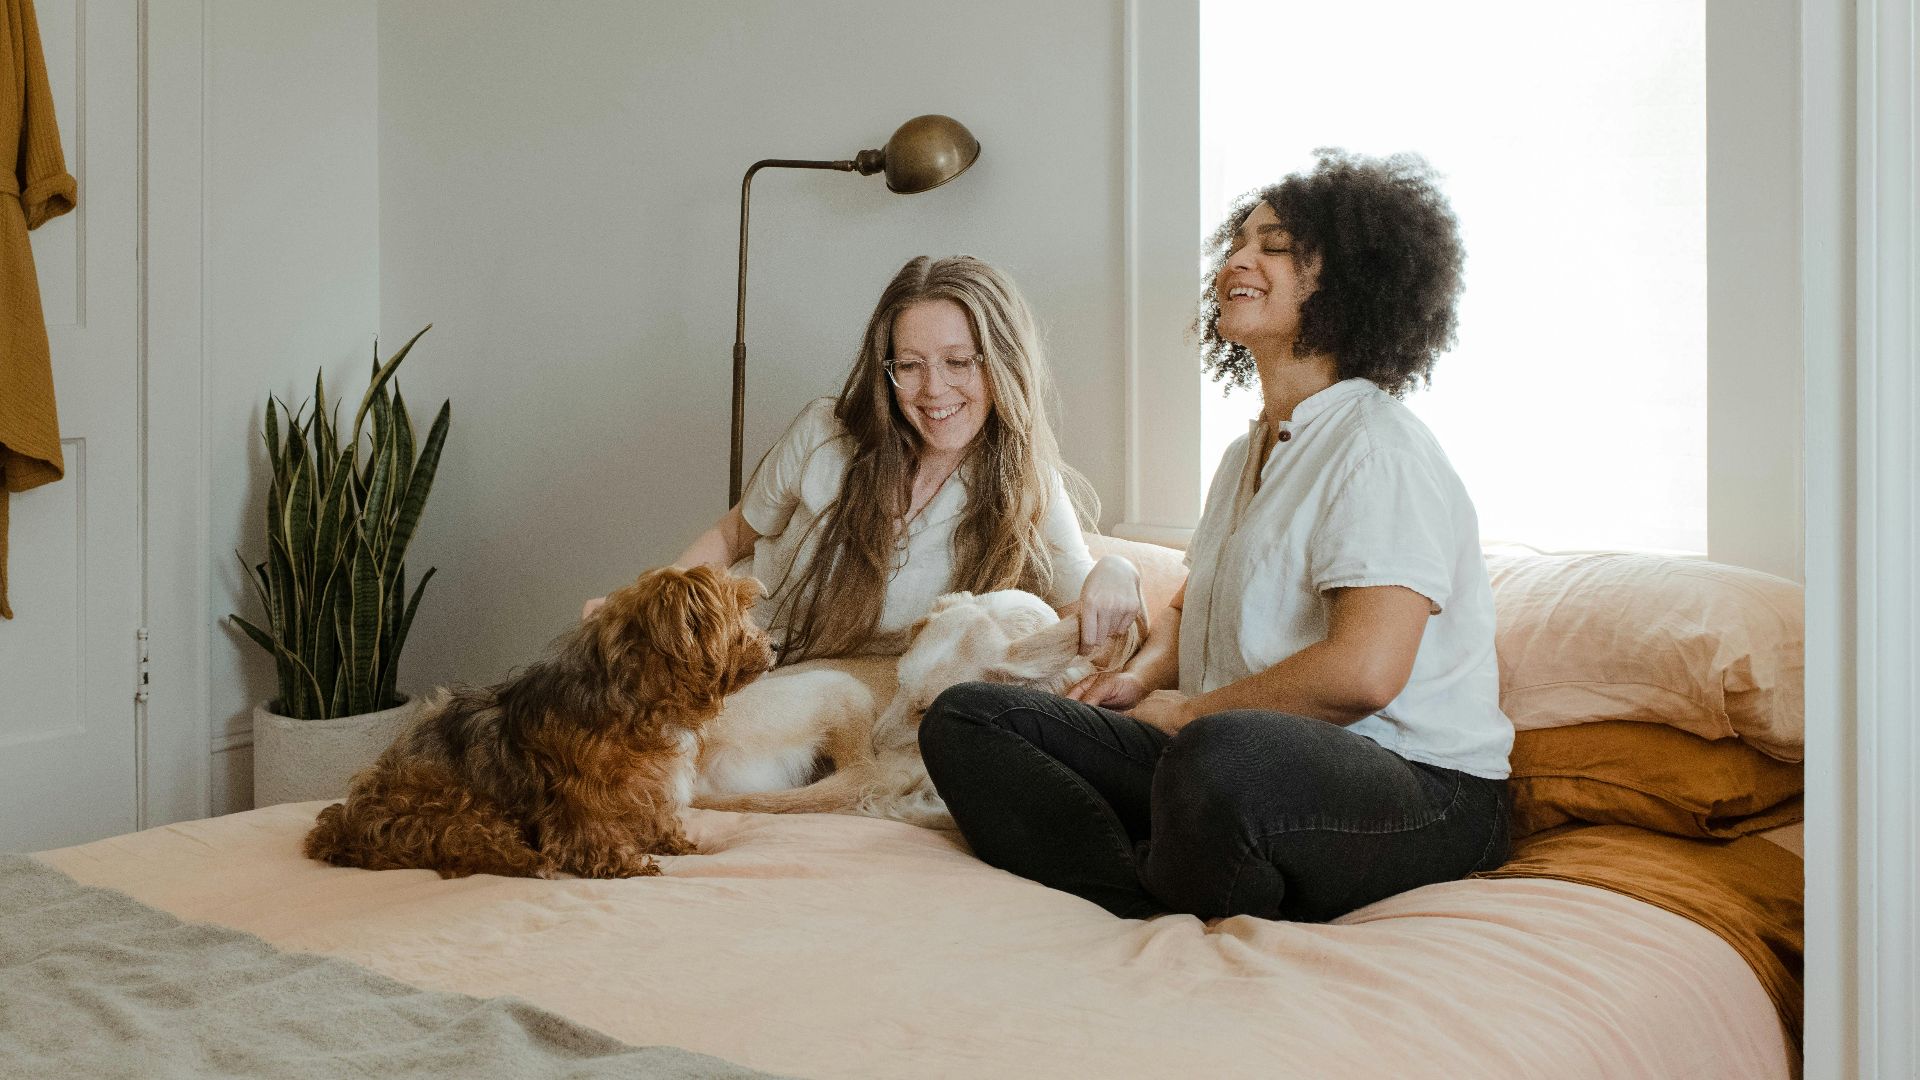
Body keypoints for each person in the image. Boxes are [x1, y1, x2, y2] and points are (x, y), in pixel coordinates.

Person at [917, 151, 1513, 922]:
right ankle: (1148, 888)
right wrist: (1141, 681)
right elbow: (1186, 607)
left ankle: (1181, 862)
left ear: (1348, 280)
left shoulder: (1378, 447)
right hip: (1225, 757)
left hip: (1420, 789)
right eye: (1238, 241)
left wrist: (1192, 714)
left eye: (1273, 245)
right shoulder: (1248, 454)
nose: (1237, 259)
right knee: (969, 719)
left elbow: (1365, 672)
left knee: (1217, 759)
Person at [587, 255, 1143, 663]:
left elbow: (1081, 614)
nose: (934, 389)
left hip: (857, 698)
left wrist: (1119, 569)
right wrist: (639, 609)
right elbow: (734, 537)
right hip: (741, 660)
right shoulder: (824, 433)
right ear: (886, 368)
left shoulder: (1028, 482)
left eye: (958, 362)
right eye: (910, 364)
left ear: (1001, 364)